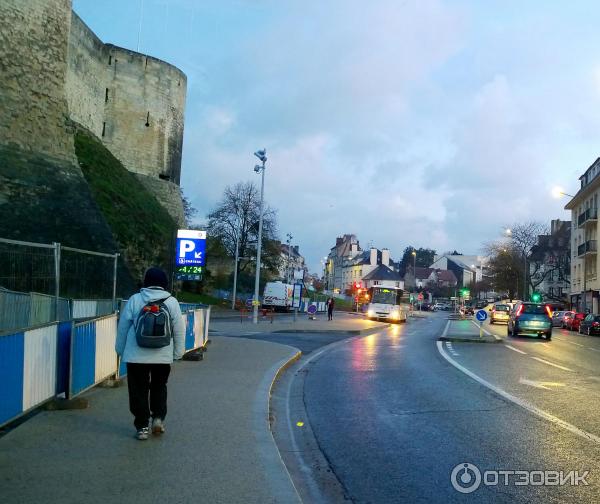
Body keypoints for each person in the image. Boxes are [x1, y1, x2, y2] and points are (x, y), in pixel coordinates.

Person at [116, 267, 185, 440]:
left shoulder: (135, 299)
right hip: (162, 356)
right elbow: (179, 330)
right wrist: (178, 353)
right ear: (164, 283)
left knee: (138, 390)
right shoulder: (171, 302)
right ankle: (158, 418)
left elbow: (123, 326)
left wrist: (120, 349)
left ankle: (141, 427)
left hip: (136, 355)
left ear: (146, 282)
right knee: (159, 387)